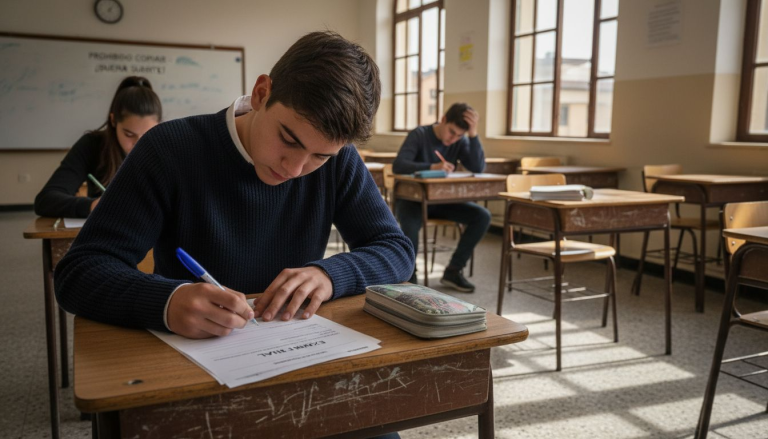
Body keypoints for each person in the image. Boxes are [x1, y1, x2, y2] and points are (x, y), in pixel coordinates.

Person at [54, 31, 415, 344]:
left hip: (293, 348)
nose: (295, 169)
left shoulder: (339, 160)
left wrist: (330, 275)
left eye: (319, 156)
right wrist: (167, 300)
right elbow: (80, 272)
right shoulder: (168, 149)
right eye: (288, 139)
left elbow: (396, 249)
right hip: (193, 356)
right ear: (261, 93)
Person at [392, 103, 490, 293]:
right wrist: (432, 167)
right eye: (451, 132)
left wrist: (473, 134)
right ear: (443, 120)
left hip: (440, 201)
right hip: (412, 200)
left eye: (459, 135)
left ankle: (453, 271)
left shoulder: (459, 141)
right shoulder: (419, 134)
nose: (453, 139)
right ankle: (409, 276)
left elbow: (478, 167)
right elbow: (399, 165)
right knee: (410, 228)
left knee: (482, 216)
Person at [34, 76, 162, 218]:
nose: (138, 144)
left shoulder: (166, 149)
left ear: (159, 125)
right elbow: (45, 200)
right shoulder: (93, 145)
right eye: (129, 134)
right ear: (113, 120)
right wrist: (93, 205)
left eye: (147, 135)